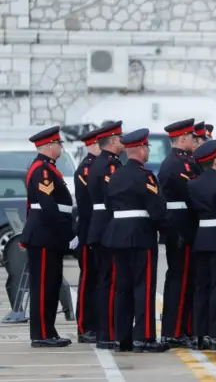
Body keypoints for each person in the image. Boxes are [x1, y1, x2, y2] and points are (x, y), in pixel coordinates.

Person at [105, 128, 170, 353]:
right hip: (141, 235)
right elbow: (157, 208)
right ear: (141, 149)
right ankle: (144, 337)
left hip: (117, 234)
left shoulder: (116, 175)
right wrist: (166, 230)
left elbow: (108, 203)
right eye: (147, 147)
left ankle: (121, 338)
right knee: (144, 287)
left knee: (122, 289)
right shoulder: (146, 176)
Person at [22, 126, 76, 348]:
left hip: (49, 235)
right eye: (58, 144)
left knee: (51, 284)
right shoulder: (42, 171)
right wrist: (67, 233)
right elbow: (48, 206)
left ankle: (48, 331)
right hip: (45, 235)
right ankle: (42, 334)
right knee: (44, 286)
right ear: (49, 146)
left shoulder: (48, 168)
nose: (61, 147)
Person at [187, 140, 216, 351]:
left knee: (201, 287)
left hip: (200, 236)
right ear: (215, 160)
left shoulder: (192, 184)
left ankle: (199, 334)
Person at [159, 119, 199, 347]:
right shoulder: (177, 164)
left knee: (186, 279)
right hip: (180, 227)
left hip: (185, 226)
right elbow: (191, 193)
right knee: (180, 280)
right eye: (192, 138)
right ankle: (174, 332)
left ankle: (183, 328)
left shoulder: (183, 161)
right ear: (182, 139)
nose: (195, 141)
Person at [86, 121, 124, 350]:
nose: (122, 142)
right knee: (109, 282)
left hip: (101, 225)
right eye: (119, 139)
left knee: (106, 280)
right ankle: (107, 332)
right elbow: (113, 195)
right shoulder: (108, 165)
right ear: (111, 141)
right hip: (106, 225)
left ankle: (106, 331)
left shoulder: (102, 163)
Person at [73, 128, 101, 343]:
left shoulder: (100, 167)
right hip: (88, 230)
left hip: (98, 231)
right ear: (93, 145)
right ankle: (84, 326)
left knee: (100, 279)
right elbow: (89, 207)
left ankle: (98, 323)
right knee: (88, 279)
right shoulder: (86, 170)